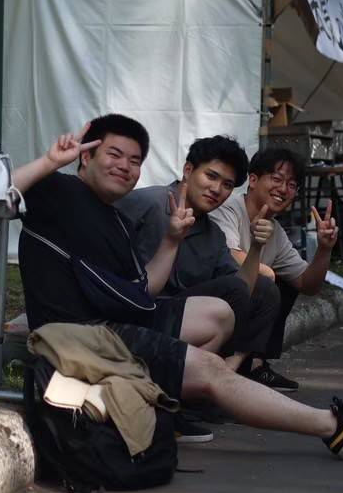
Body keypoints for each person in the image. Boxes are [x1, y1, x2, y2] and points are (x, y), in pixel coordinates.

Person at [12, 115, 343, 460]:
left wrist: (173, 239)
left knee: (221, 313)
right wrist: (49, 162)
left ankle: (178, 400)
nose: (125, 167)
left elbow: (143, 289)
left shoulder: (116, 218)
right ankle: (331, 424)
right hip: (85, 335)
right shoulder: (58, 191)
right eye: (114, 154)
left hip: (119, 321)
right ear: (85, 157)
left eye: (135, 161)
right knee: (211, 369)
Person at [119, 135, 284, 396]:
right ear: (188, 170)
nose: (217, 189)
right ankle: (188, 389)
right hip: (132, 310)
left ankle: (219, 378)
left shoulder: (213, 234)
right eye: (211, 176)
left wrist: (256, 247)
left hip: (185, 316)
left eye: (227, 184)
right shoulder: (148, 203)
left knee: (264, 289)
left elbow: (243, 290)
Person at [210, 147, 340, 393]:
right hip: (210, 303)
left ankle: (256, 365)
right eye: (277, 179)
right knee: (266, 282)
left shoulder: (276, 231)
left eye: (292, 185)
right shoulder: (228, 208)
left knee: (284, 285)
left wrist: (324, 249)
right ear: (253, 179)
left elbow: (308, 285)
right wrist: (264, 270)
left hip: (238, 308)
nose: (283, 189)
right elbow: (228, 257)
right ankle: (231, 371)